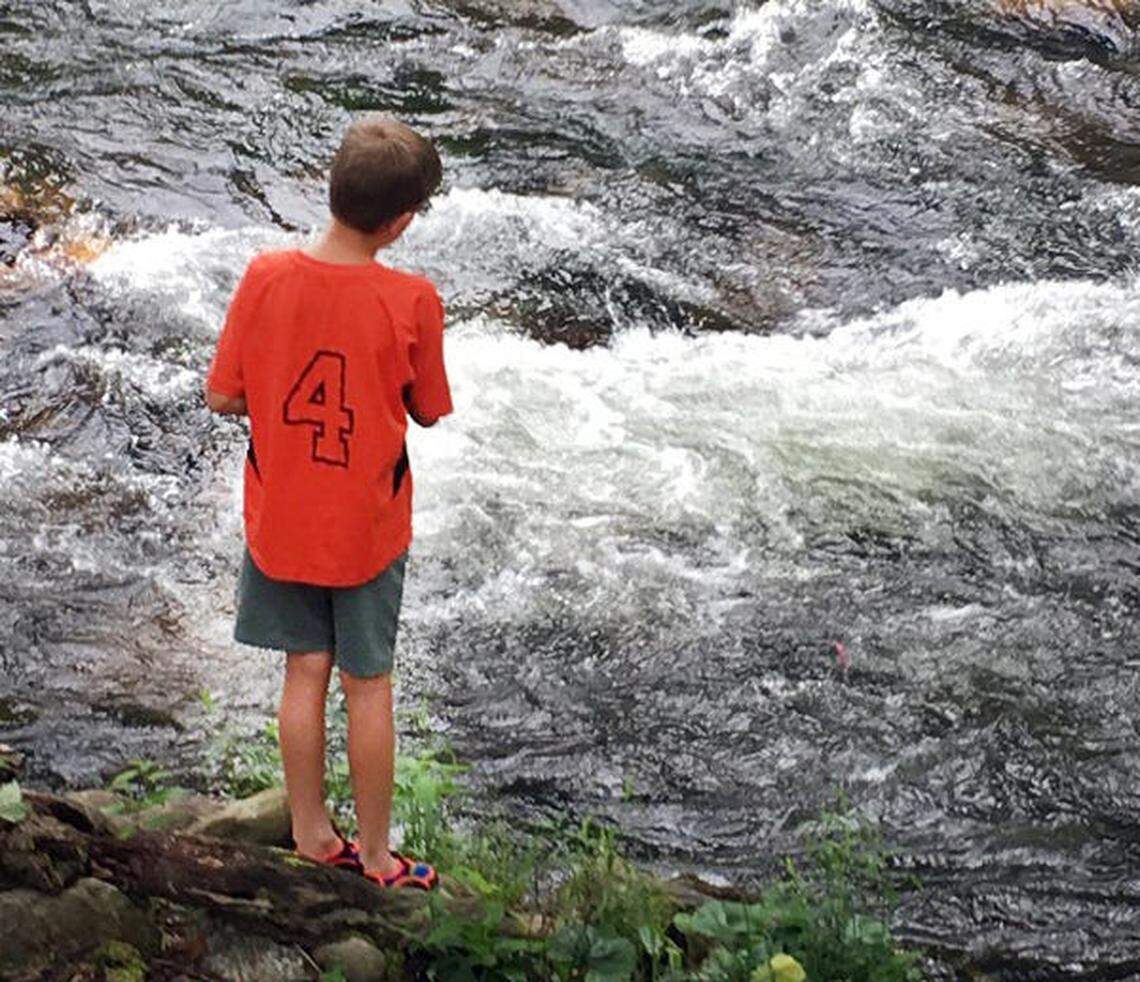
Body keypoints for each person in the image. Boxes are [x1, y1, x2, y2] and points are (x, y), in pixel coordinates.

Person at [203, 113, 452, 890]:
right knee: (367, 684)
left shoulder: (264, 275)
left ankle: (312, 834)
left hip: (281, 518)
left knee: (303, 670)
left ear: (331, 188)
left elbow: (223, 396)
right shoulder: (412, 299)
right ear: (401, 222)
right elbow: (429, 409)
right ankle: (377, 858)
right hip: (367, 527)